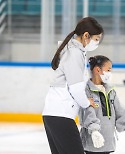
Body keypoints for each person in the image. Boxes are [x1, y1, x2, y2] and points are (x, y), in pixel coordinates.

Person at [42, 17, 104, 154]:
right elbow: (75, 88)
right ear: (86, 35)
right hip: (61, 115)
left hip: (54, 114)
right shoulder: (74, 53)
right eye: (96, 39)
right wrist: (86, 103)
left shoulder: (74, 51)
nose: (97, 43)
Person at [79, 55, 125, 154]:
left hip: (108, 144)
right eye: (108, 70)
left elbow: (120, 111)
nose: (110, 73)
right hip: (92, 143)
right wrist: (94, 131)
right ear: (97, 70)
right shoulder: (87, 90)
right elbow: (87, 113)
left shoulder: (110, 90)